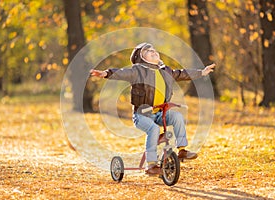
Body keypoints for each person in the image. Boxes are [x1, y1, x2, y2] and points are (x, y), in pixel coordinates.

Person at [90, 42, 215, 175]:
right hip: (141, 115)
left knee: (177, 116)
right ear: (141, 57)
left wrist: (201, 72)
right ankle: (151, 165)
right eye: (148, 51)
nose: (153, 51)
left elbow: (182, 74)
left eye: (154, 50)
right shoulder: (137, 71)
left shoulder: (165, 71)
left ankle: (182, 150)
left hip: (159, 113)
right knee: (153, 129)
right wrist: (106, 73)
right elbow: (122, 73)